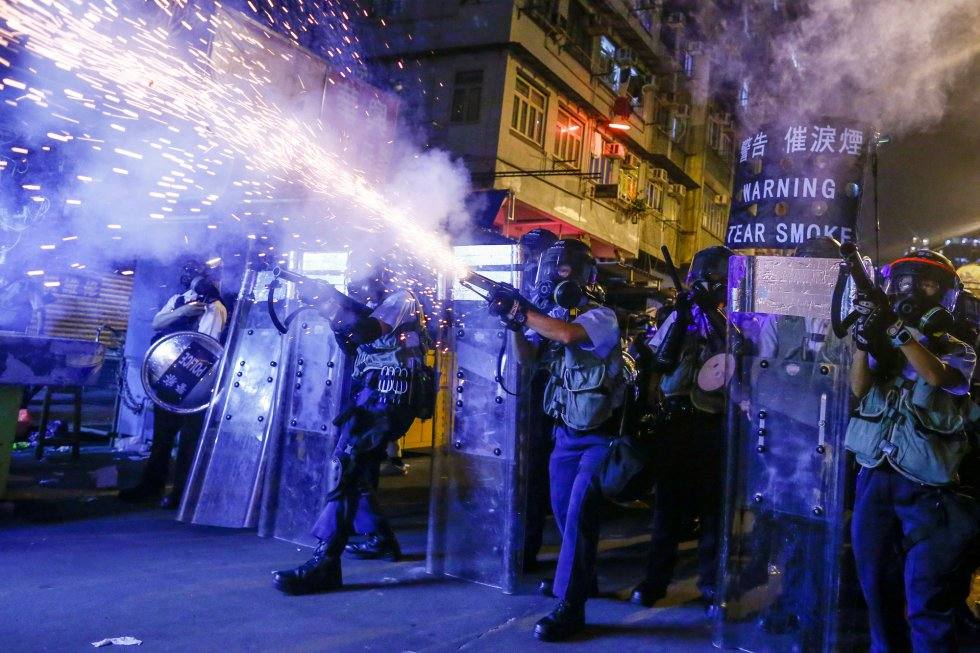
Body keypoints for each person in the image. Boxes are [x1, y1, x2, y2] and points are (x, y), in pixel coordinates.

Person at [482, 238, 625, 641]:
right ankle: (584, 577)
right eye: (554, 270)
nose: (558, 277)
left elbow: (565, 336)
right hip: (564, 435)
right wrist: (514, 325)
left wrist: (522, 312)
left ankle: (572, 604)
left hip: (599, 438)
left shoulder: (602, 317)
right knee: (563, 512)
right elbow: (527, 359)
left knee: (579, 513)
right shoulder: (552, 315)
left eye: (566, 270)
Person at [845, 248, 979, 651]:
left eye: (928, 282)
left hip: (928, 491)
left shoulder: (961, 345)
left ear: (945, 294)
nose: (915, 290)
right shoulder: (888, 338)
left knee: (927, 599)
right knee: (875, 588)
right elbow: (859, 388)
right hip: (875, 477)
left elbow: (938, 377)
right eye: (905, 281)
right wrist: (865, 340)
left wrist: (900, 333)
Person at [272, 253, 429, 593]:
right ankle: (379, 538)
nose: (355, 283)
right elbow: (353, 348)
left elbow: (368, 331)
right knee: (353, 472)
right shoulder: (368, 306)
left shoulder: (400, 299)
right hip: (370, 398)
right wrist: (330, 309)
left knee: (345, 466)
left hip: (390, 398)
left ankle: (326, 562)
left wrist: (330, 303)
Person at [631, 245, 733, 609]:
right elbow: (660, 359)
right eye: (707, 279)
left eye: (718, 280)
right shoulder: (677, 315)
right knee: (667, 509)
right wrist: (684, 312)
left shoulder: (738, 318)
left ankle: (710, 585)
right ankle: (655, 581)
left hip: (713, 422)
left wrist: (711, 312)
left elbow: (741, 354)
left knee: (712, 511)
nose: (711, 285)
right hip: (674, 420)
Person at [119, 259, 227, 508]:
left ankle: (182, 494)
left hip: (196, 385)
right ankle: (151, 488)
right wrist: (184, 311)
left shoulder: (215, 307)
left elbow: (207, 345)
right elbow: (158, 322)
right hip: (168, 378)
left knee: (189, 443)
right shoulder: (179, 300)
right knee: (162, 439)